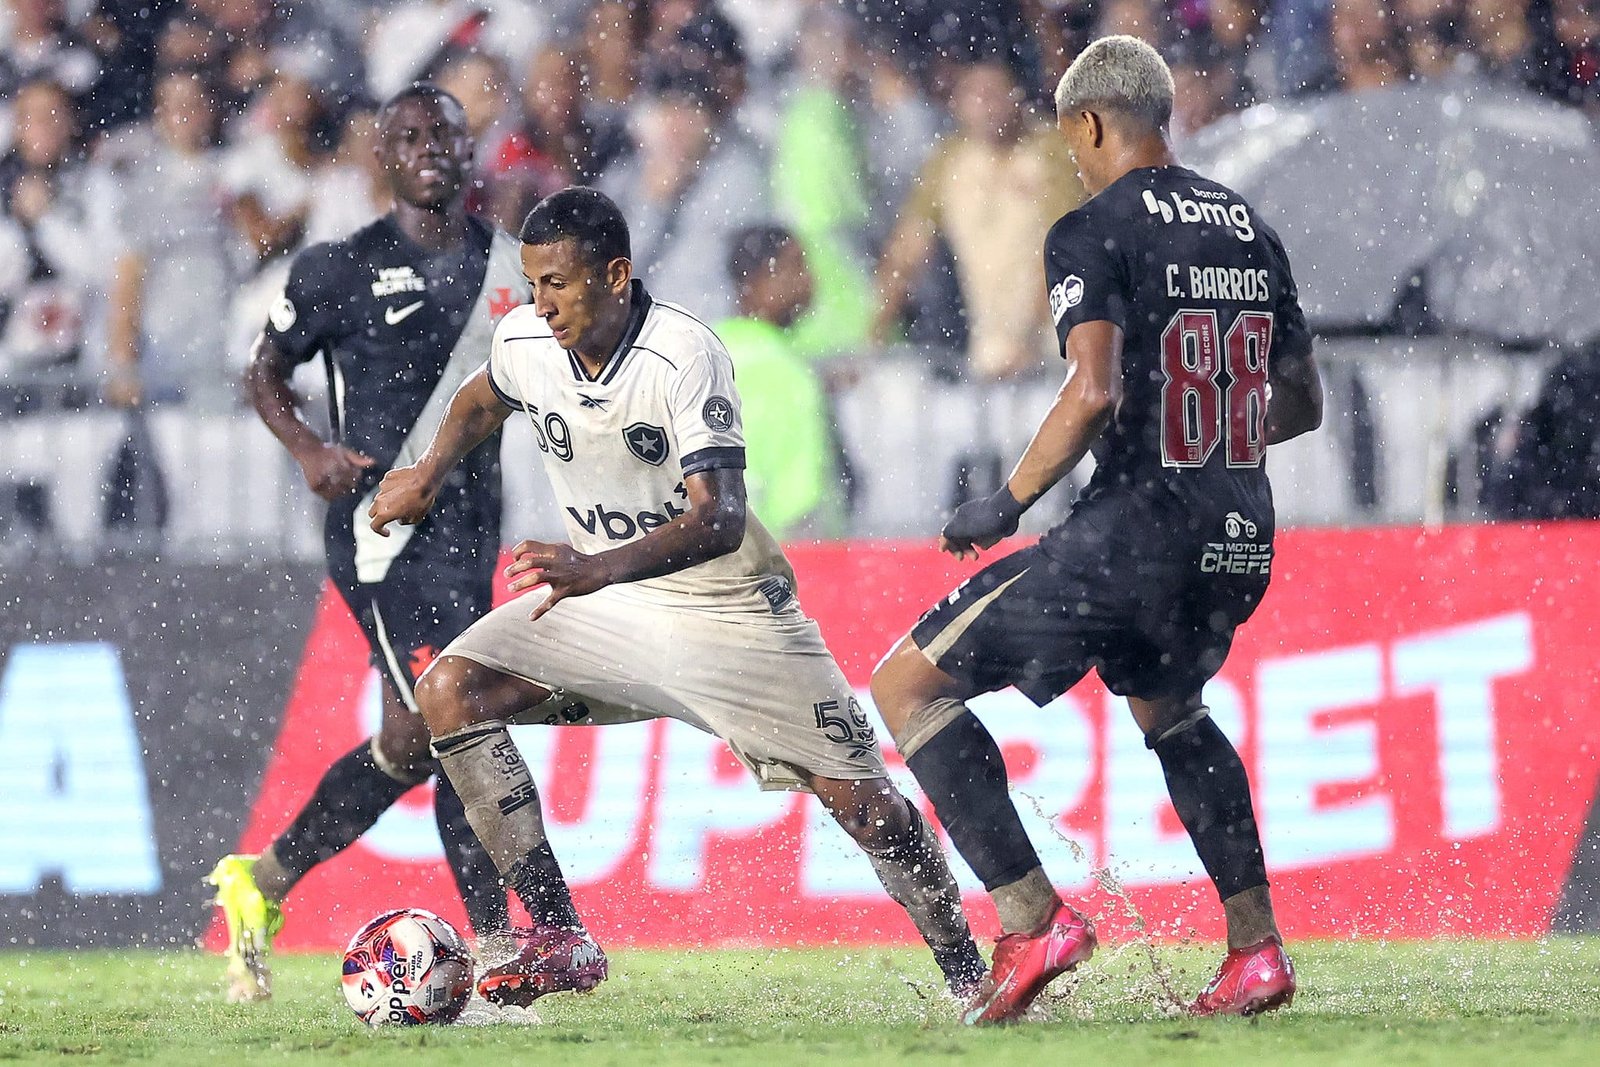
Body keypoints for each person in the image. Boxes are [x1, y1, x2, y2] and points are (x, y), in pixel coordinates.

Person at [369, 186, 986, 1008]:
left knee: (867, 807)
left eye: (559, 283)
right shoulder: (526, 338)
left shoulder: (683, 355)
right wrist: (427, 470)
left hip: (726, 608)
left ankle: (971, 973)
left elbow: (721, 518)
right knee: (451, 688)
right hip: (607, 607)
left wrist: (592, 568)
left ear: (616, 274)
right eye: (532, 282)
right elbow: (485, 394)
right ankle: (558, 933)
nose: (541, 304)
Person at [869, 36, 1324, 1025]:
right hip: (1239, 530)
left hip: (1136, 532)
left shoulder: (1092, 226)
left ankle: (1033, 919)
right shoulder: (1248, 225)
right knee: (1174, 712)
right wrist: (1203, 432)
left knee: (906, 681)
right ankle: (1255, 949)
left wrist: (1009, 499)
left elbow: (1091, 388)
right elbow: (1299, 402)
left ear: (1088, 122)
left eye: (1073, 138)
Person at [207, 84, 528, 1003]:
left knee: (409, 738)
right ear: (382, 159)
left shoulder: (512, 267)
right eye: (411, 137)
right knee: (458, 718)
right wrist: (308, 447)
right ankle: (501, 950)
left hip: (472, 535)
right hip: (381, 537)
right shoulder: (336, 268)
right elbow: (264, 370)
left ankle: (260, 883)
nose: (431, 148)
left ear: (471, 154)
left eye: (447, 135)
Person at [716, 224, 843, 538]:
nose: (809, 281)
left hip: (704, 562)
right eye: (796, 266)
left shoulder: (701, 350)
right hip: (773, 564)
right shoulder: (788, 376)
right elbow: (801, 507)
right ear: (755, 281)